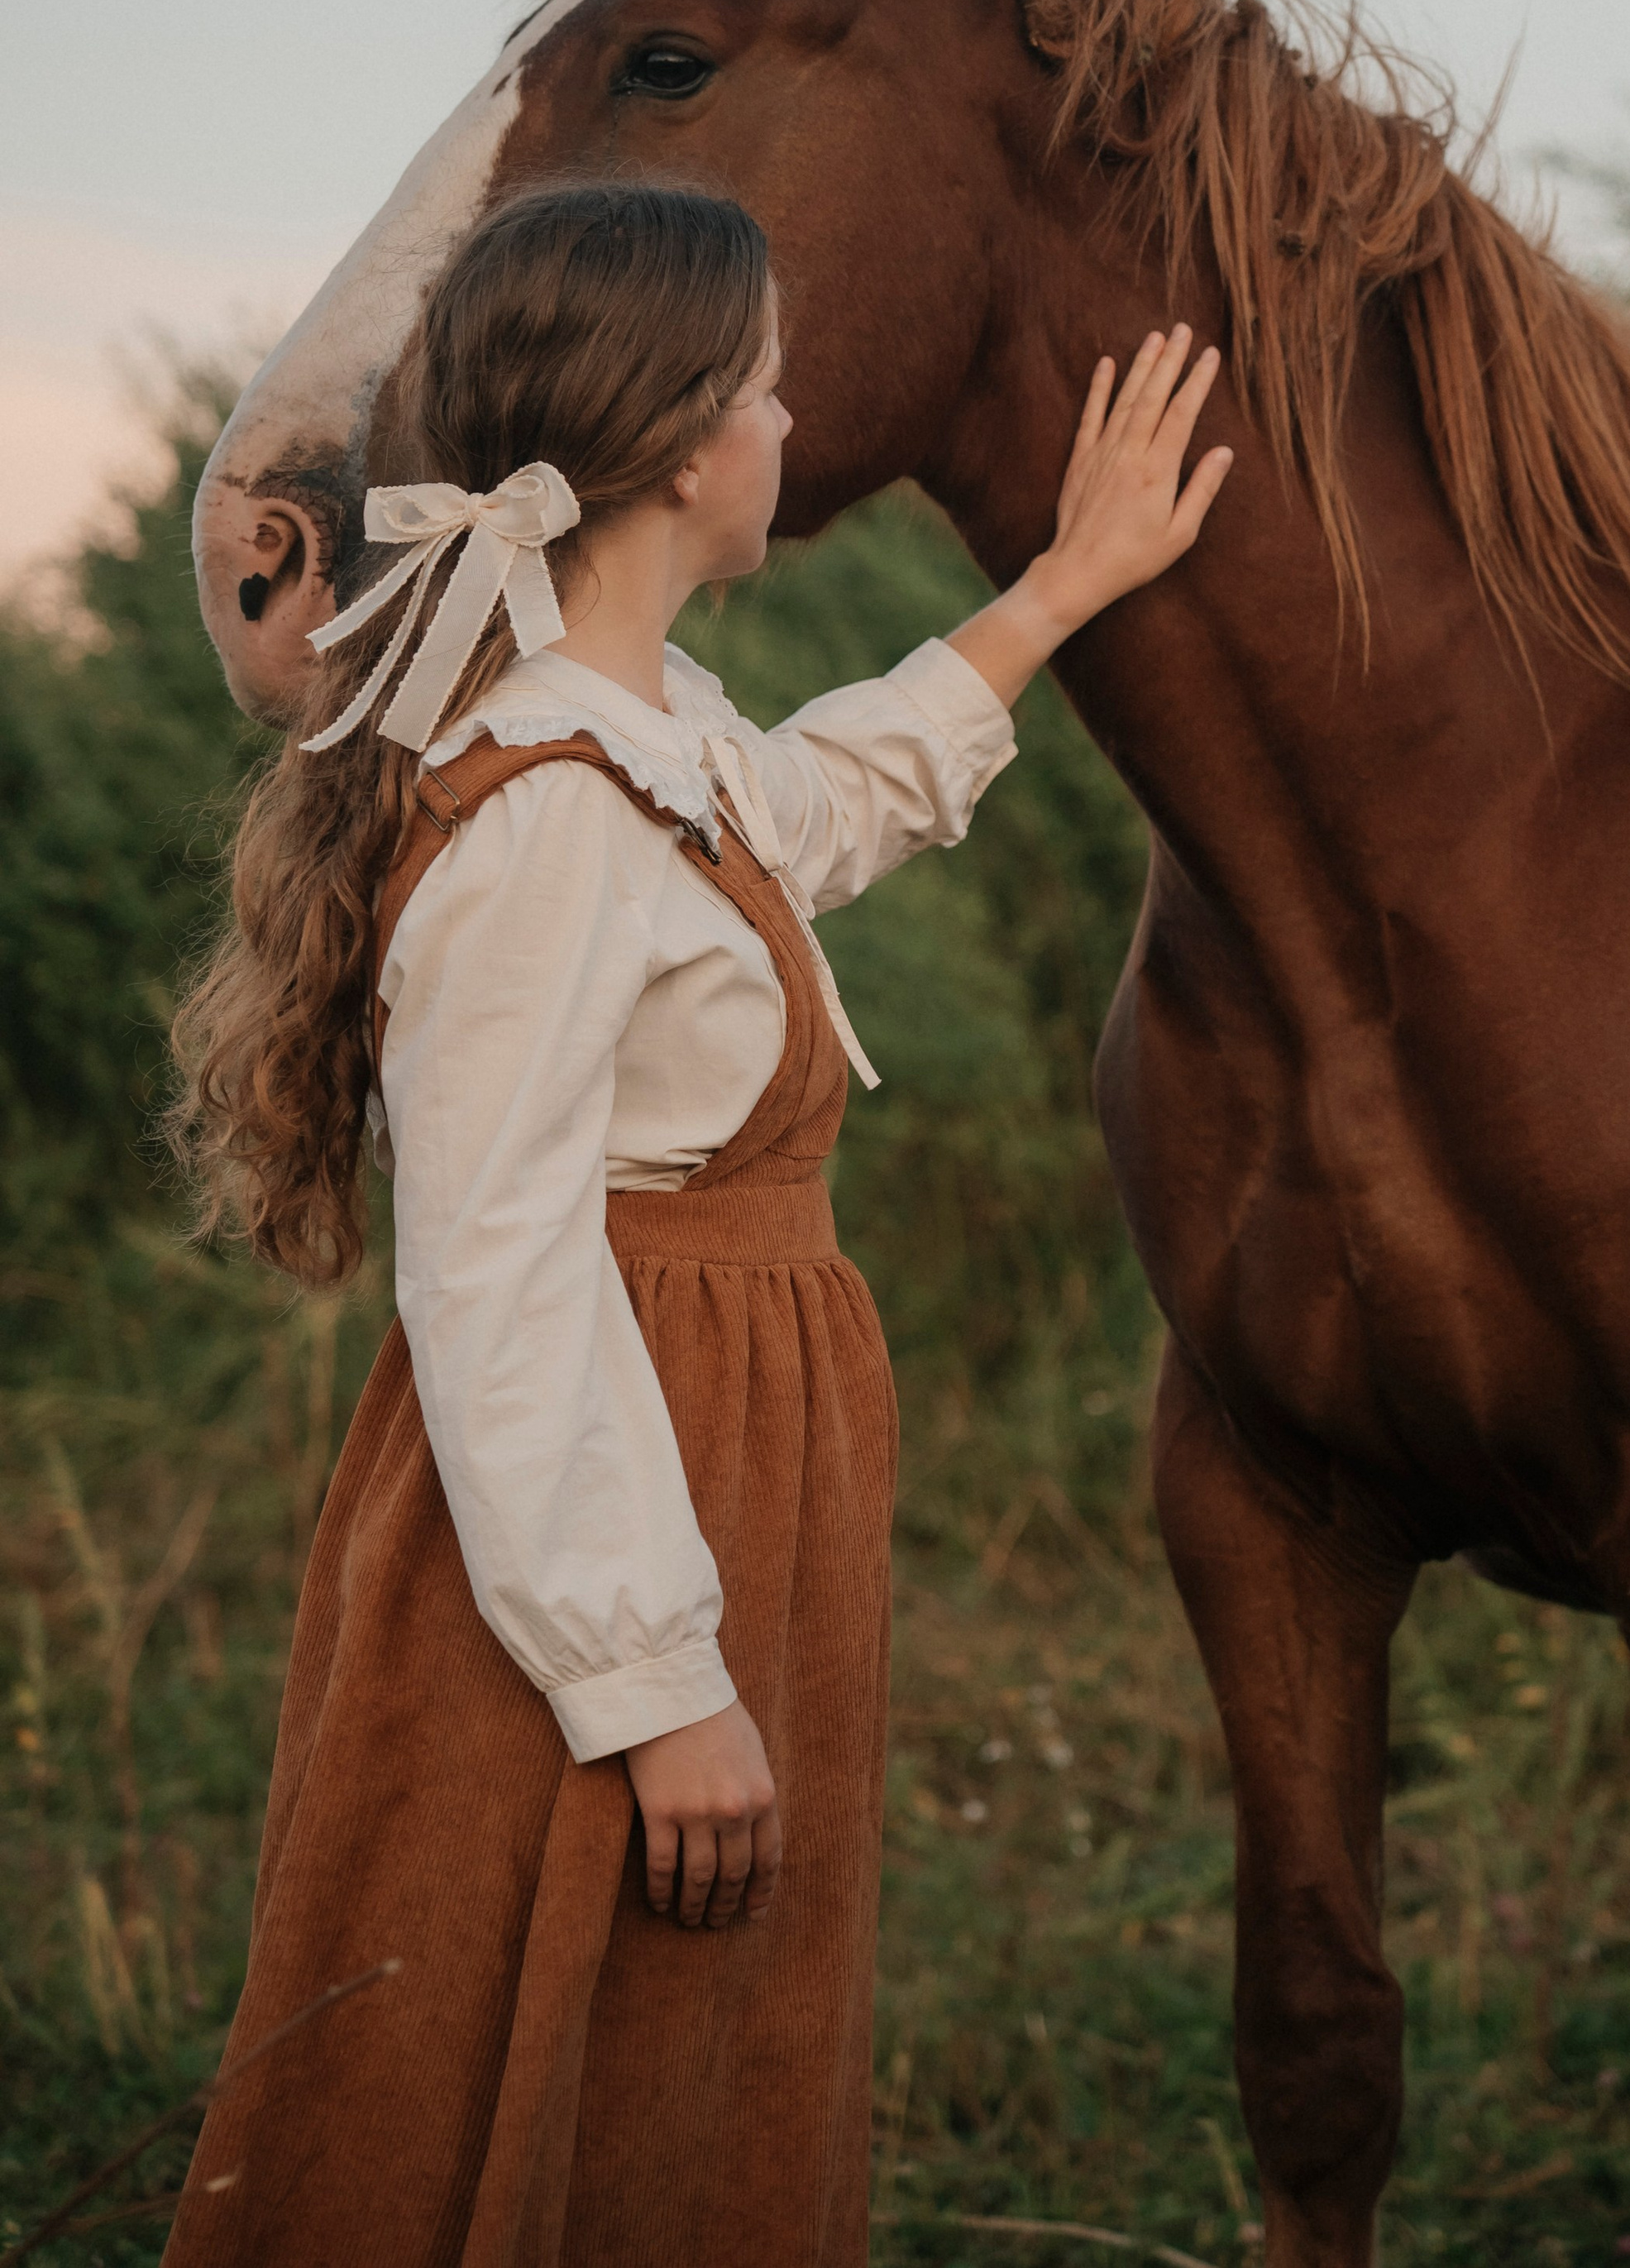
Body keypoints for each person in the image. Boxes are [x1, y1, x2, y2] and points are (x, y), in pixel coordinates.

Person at [163, 177, 1230, 2268]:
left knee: (668, 2056)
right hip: (603, 1508)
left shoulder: (647, 740)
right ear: (668, 445)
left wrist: (1067, 581)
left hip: (706, 1468)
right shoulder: (547, 806)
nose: (785, 420)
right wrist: (652, 1679)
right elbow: (493, 1275)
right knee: (505, 2033)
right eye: (759, 386)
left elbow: (818, 806)